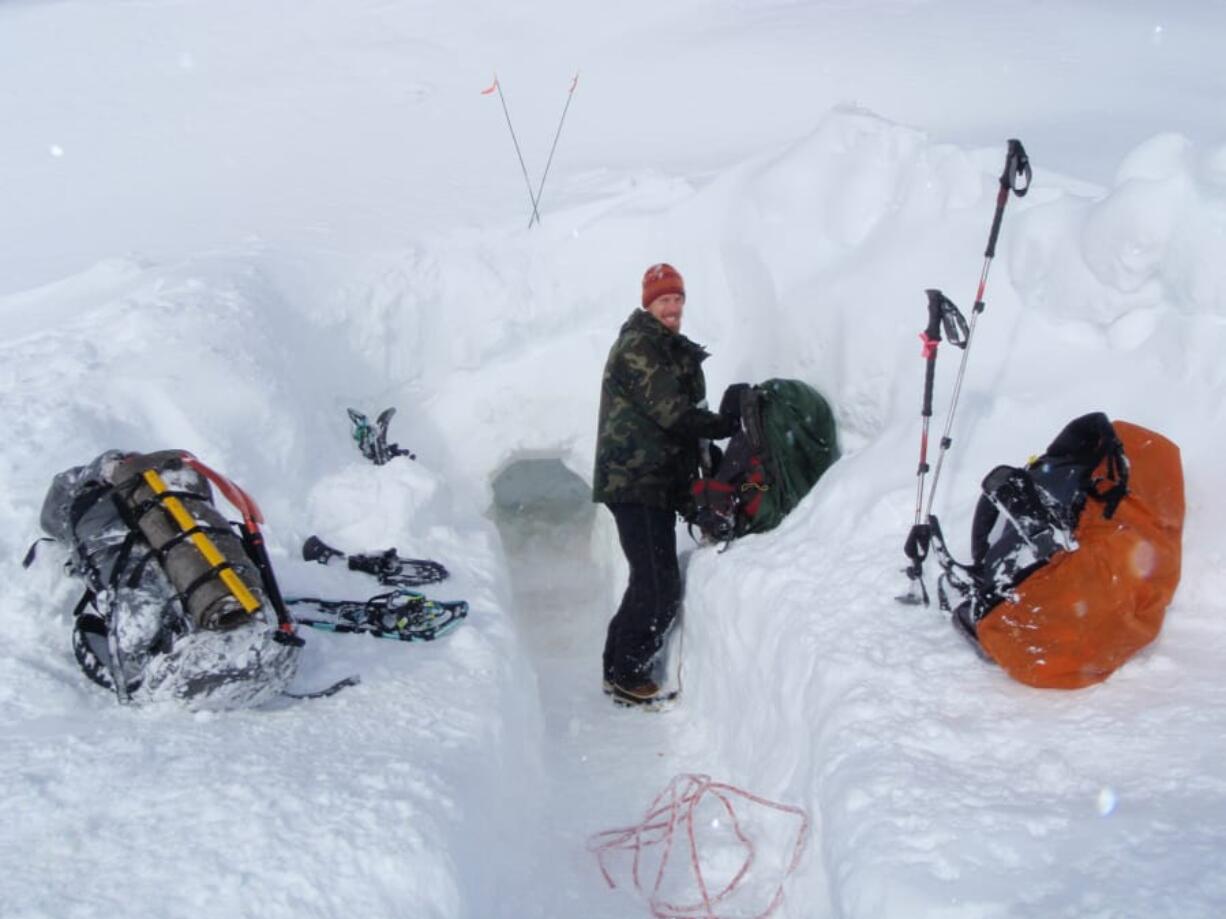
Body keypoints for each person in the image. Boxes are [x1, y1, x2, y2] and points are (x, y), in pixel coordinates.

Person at [592, 263, 737, 704]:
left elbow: (676, 428)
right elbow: (672, 412)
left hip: (653, 480)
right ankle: (628, 674)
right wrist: (725, 424)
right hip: (634, 480)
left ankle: (617, 669)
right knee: (659, 585)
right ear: (648, 304)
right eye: (663, 301)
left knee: (647, 580)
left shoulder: (668, 348)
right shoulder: (639, 347)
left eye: (677, 300)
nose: (672, 308)